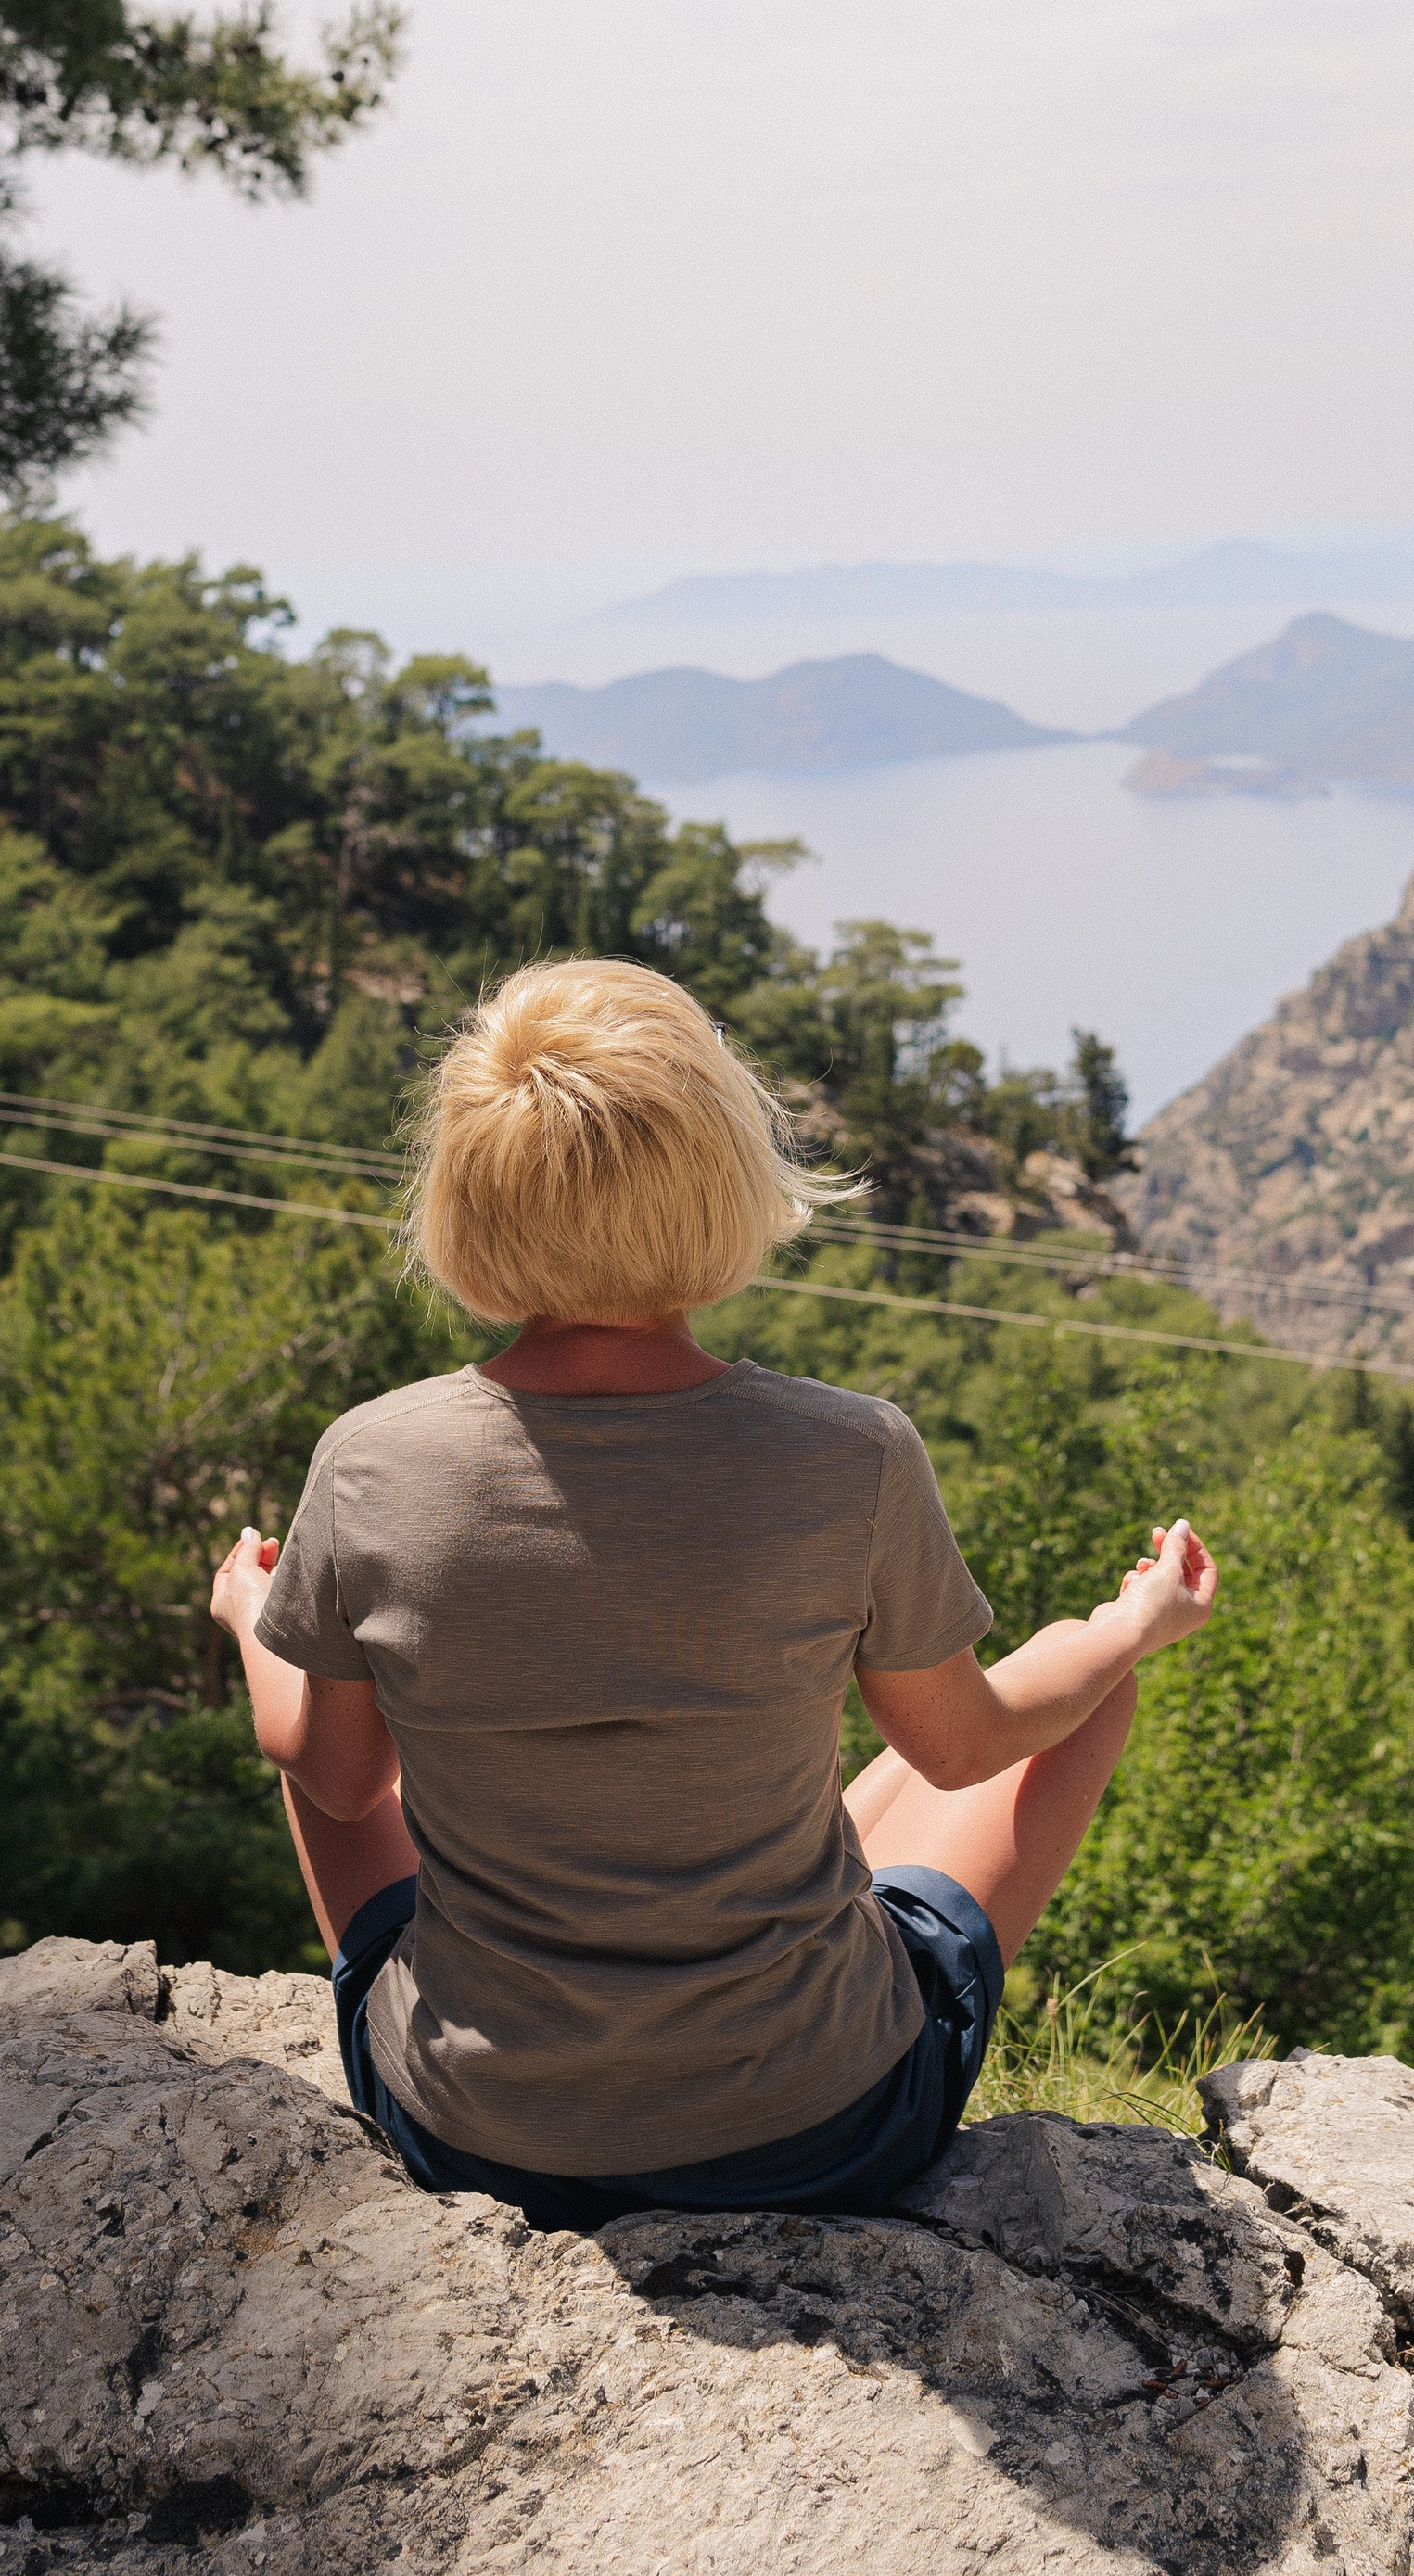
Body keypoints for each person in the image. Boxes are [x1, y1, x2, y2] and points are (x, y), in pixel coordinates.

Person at [209, 955, 1217, 2234]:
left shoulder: (372, 1461)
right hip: (819, 2129)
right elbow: (966, 1749)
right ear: (726, 1181)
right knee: (1087, 1691)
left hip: (478, 2136)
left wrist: (257, 1620)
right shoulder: (850, 1454)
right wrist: (1128, 1626)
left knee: (336, 1718)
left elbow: (338, 1779)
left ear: (464, 1203)